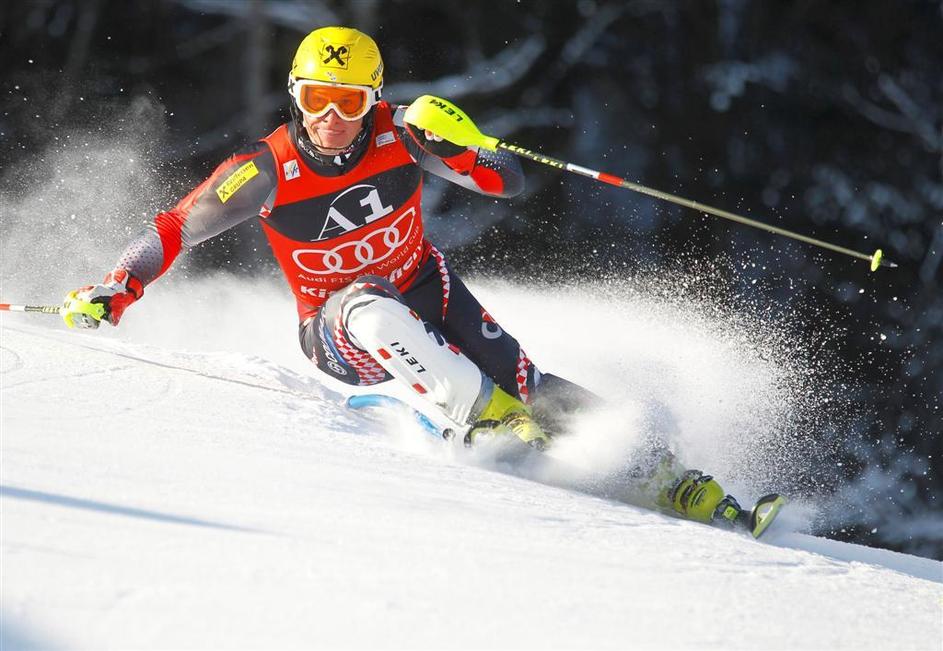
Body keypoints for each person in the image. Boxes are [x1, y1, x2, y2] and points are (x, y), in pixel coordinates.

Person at [61, 26, 752, 529]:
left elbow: (505, 183)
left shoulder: (403, 133)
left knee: (529, 384)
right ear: (295, 96)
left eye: (351, 102)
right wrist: (116, 287)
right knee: (367, 303)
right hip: (337, 329)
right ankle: (486, 421)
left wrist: (469, 146)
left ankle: (672, 479)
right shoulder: (266, 170)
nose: (333, 119)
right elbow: (174, 224)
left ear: (375, 100)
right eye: (318, 99)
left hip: (430, 286)